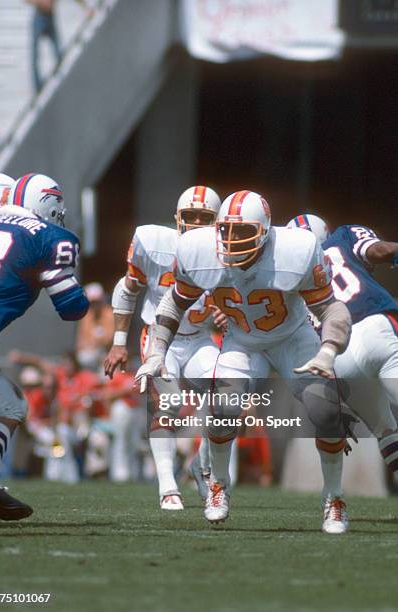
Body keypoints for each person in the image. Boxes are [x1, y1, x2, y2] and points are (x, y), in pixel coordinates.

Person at [136, 190, 352, 533]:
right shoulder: (198, 249)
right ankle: (218, 485)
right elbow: (173, 304)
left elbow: (332, 308)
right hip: (242, 341)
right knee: (223, 408)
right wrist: (156, 353)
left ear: (265, 231)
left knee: (326, 410)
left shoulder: (295, 250)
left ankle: (334, 498)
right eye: (226, 231)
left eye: (243, 232)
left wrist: (328, 351)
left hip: (292, 337)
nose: (232, 241)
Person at [104, 186, 224, 510]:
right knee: (167, 404)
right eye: (191, 216)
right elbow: (127, 289)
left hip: (200, 338)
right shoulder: (153, 242)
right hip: (161, 339)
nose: (197, 222)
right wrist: (118, 343)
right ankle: (168, 486)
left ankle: (201, 468)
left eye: (205, 217)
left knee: (227, 398)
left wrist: (230, 313)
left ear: (218, 221)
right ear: (177, 218)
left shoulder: (229, 251)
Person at [0, 172, 88, 520]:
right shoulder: (50, 236)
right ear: (48, 203)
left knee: (9, 403)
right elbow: (72, 308)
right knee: (10, 406)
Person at [287, 214, 398, 480]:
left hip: (338, 356)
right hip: (375, 328)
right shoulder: (343, 236)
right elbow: (380, 250)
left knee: (385, 429)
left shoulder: (286, 277)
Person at [26, 0, 92, 92]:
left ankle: (61, 79)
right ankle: (37, 87)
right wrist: (41, 3)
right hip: (39, 16)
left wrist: (86, 9)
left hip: (50, 18)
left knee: (59, 53)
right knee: (35, 55)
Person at [76, 282, 114, 370]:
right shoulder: (87, 315)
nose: (94, 305)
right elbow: (81, 339)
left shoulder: (110, 314)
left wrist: (94, 342)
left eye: (96, 302)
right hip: (89, 352)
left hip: (107, 353)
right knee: (83, 358)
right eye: (92, 302)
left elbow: (110, 339)